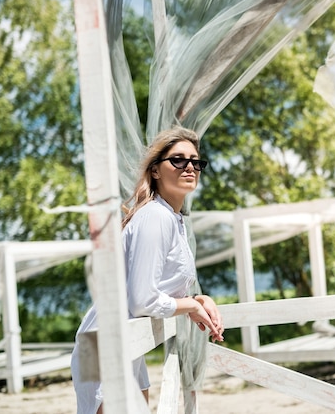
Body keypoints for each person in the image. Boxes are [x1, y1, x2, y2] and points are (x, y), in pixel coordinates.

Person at [71, 126, 224, 414]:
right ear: (155, 170)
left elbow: (162, 286)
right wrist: (191, 304)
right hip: (105, 341)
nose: (189, 166)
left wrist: (199, 299)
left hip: (126, 341)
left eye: (196, 161)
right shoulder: (155, 216)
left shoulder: (172, 218)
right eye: (178, 160)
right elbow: (143, 299)